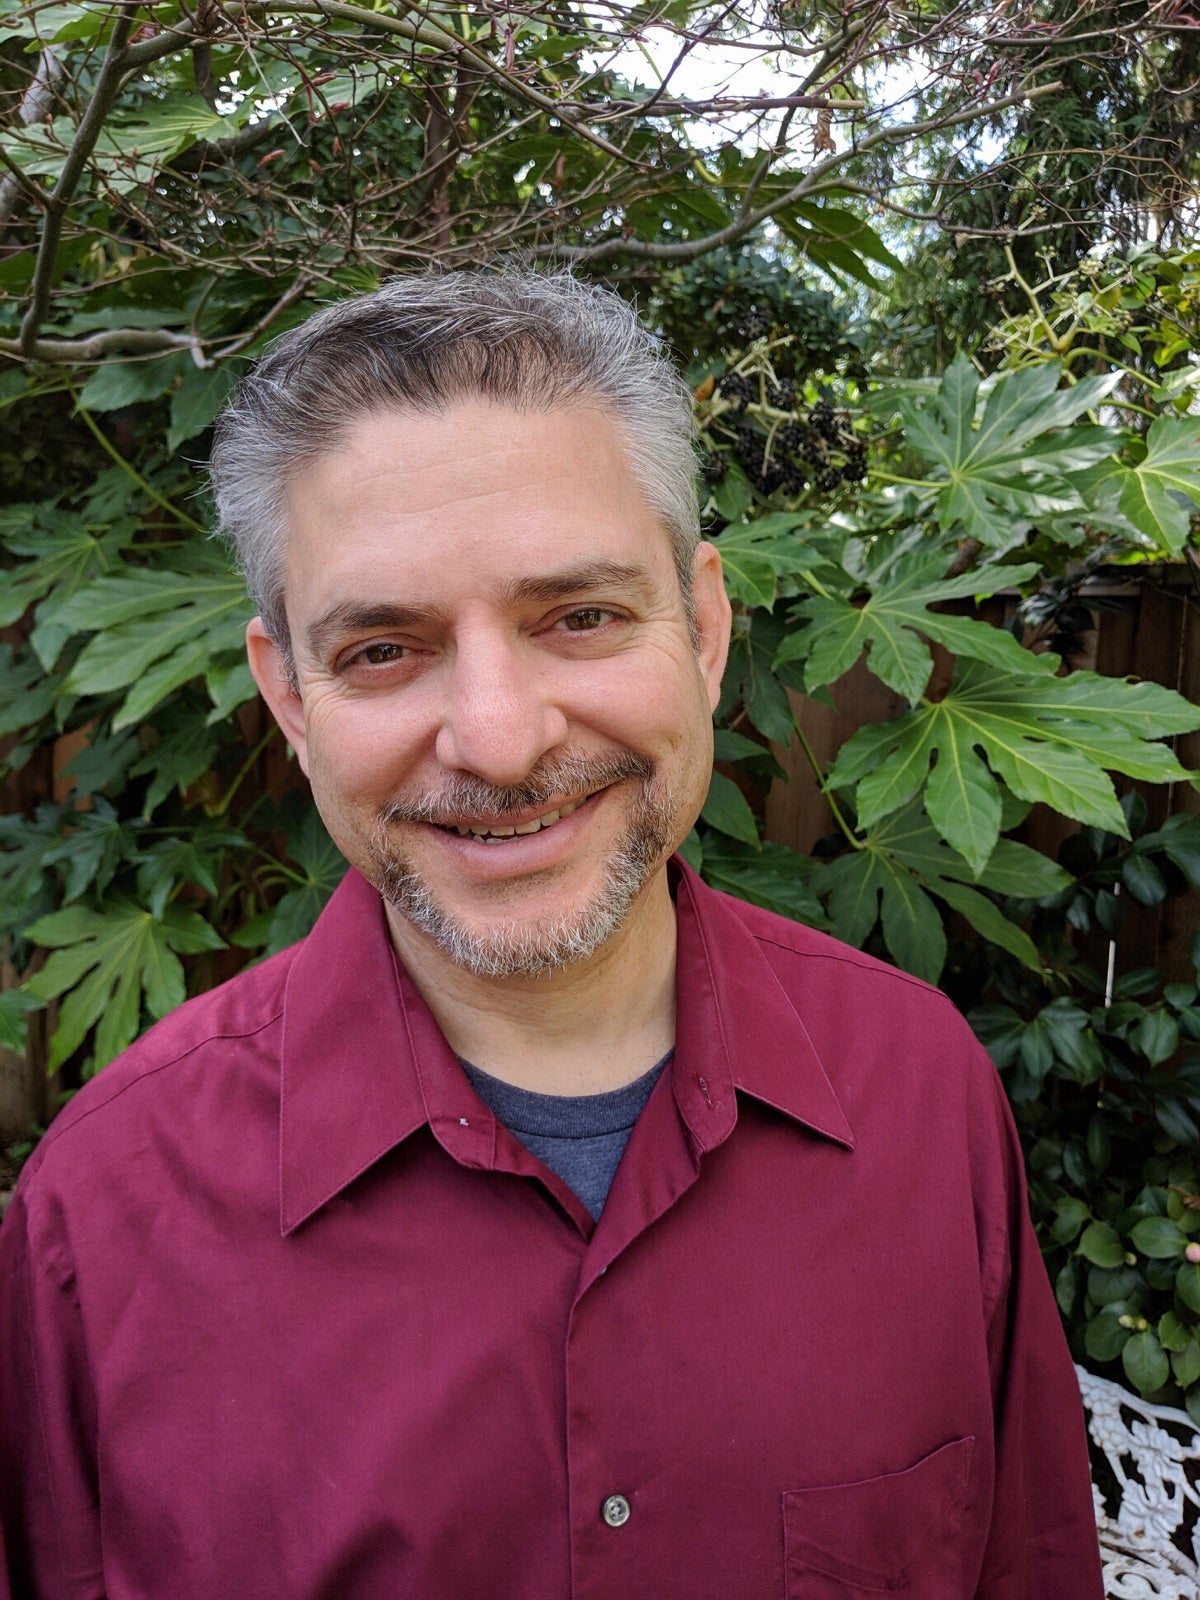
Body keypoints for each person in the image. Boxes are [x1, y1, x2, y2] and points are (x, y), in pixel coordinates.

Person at [0, 270, 1104, 1598]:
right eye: (382, 649)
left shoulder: (920, 1092)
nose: (502, 740)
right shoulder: (102, 1218)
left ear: (705, 630)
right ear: (288, 699)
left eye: (580, 618)